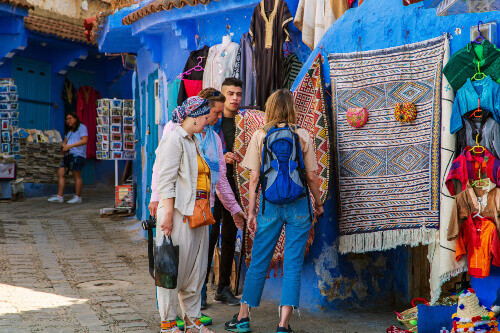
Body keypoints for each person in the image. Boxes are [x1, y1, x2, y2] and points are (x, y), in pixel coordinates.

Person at [225, 89, 324, 333]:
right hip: (300, 207)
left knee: (258, 260)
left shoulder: (260, 135)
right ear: (292, 108)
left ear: (269, 108)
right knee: (292, 265)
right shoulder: (302, 135)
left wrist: (250, 212)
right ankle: (283, 325)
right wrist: (319, 203)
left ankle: (243, 317)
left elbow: (254, 178)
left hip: (269, 207)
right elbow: (311, 176)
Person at [155, 96, 215, 333]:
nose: (208, 120)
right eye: (206, 115)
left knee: (195, 271)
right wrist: (167, 214)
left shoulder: (193, 141)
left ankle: (192, 321)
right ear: (196, 116)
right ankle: (168, 323)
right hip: (178, 214)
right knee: (172, 270)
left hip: (197, 215)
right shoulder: (174, 140)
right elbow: (166, 180)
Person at [206, 77, 245, 307]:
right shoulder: (213, 123)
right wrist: (222, 157)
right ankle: (200, 288)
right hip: (214, 188)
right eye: (230, 94)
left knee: (230, 236)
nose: (235, 98)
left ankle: (223, 288)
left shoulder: (245, 122)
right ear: (222, 95)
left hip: (236, 186)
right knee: (209, 237)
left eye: (238, 94)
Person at [48, 112, 88, 204]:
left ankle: (78, 197)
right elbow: (65, 142)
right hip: (68, 155)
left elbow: (84, 140)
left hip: (77, 154)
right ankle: (59, 196)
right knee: (60, 173)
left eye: (70, 118)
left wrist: (70, 146)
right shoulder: (69, 131)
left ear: (76, 119)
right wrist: (64, 147)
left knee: (76, 175)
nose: (68, 121)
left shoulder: (82, 127)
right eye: (67, 119)